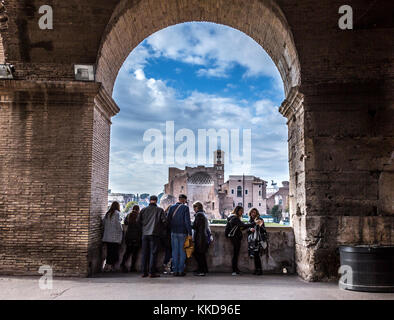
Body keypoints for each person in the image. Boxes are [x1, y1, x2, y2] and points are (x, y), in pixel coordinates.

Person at [136, 195, 167, 278]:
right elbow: (164, 222)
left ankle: (143, 272)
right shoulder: (160, 210)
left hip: (145, 234)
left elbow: (138, 222)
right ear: (156, 201)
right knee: (153, 253)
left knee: (144, 253)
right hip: (155, 234)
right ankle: (151, 272)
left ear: (150, 200)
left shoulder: (143, 210)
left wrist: (143, 229)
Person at [167, 194, 192, 276]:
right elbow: (187, 221)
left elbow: (168, 220)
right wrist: (190, 233)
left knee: (174, 252)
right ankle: (180, 270)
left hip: (173, 232)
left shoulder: (171, 207)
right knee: (182, 252)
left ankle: (175, 270)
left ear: (179, 199)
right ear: (184, 200)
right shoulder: (185, 208)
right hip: (183, 232)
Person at [226, 206, 254, 276]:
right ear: (237, 211)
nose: (242, 212)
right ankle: (234, 270)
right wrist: (254, 223)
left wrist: (248, 228)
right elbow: (242, 225)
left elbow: (241, 227)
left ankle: (236, 269)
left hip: (235, 238)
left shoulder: (233, 217)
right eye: (241, 211)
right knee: (235, 254)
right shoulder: (234, 218)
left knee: (236, 254)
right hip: (235, 238)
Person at [192, 201, 212, 276]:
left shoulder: (199, 215)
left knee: (198, 254)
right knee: (201, 255)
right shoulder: (203, 214)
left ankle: (201, 270)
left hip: (200, 238)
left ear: (197, 207)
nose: (194, 209)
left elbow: (195, 226)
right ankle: (204, 269)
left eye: (194, 207)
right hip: (203, 237)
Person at [102, 201, 123, 272]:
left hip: (107, 237)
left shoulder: (108, 213)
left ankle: (107, 266)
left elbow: (103, 222)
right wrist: (121, 232)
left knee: (109, 252)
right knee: (114, 252)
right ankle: (110, 266)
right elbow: (118, 225)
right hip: (114, 237)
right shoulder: (117, 213)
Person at [120, 205, 141, 273]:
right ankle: (132, 267)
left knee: (128, 252)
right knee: (135, 253)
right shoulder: (139, 216)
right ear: (138, 209)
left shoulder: (128, 215)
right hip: (136, 236)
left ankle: (122, 264)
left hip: (128, 236)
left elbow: (125, 223)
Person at [247, 207, 267, 275]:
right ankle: (257, 270)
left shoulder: (260, 219)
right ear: (250, 213)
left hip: (258, 240)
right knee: (254, 255)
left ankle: (259, 270)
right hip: (251, 240)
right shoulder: (249, 220)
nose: (253, 213)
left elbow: (264, 230)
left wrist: (260, 225)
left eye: (254, 212)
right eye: (252, 212)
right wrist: (250, 230)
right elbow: (247, 229)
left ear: (257, 213)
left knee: (257, 255)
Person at [161, 205, 173, 274]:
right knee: (170, 253)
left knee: (167, 252)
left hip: (165, 237)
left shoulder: (164, 215)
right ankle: (170, 267)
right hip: (169, 236)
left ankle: (166, 267)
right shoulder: (170, 217)